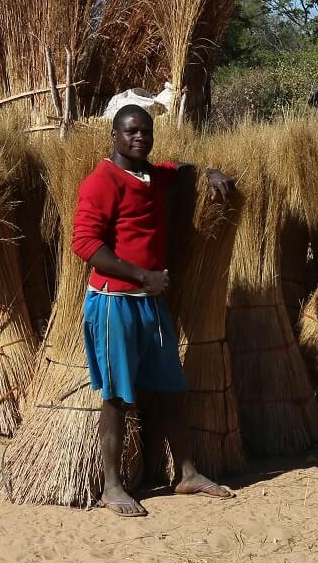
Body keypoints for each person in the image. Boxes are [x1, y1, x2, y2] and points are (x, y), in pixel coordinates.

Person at [71, 105, 235, 516]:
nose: (139, 137)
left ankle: (187, 474)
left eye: (146, 131)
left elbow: (178, 168)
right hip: (114, 303)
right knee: (117, 397)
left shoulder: (149, 175)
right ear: (114, 134)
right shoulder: (100, 182)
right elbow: (85, 245)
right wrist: (143, 276)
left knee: (171, 390)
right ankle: (111, 486)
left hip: (150, 305)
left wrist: (209, 173)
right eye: (131, 131)